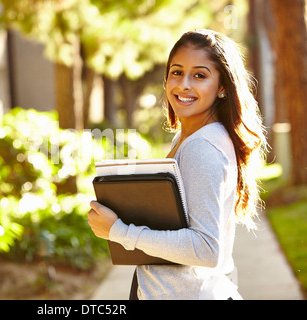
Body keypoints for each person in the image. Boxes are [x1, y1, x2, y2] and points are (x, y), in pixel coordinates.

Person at [87, 29, 267, 300]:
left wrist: (119, 231)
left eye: (199, 75)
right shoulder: (189, 136)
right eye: (176, 72)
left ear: (222, 87)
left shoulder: (203, 146)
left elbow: (206, 248)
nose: (183, 84)